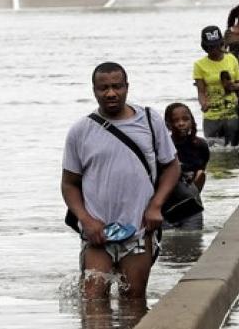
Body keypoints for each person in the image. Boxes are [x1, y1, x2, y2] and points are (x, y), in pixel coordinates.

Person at [61, 62, 180, 302]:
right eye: (103, 88)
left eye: (117, 86)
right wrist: (86, 220)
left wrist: (156, 205)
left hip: (138, 231)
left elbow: (172, 166)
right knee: (93, 303)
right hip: (97, 234)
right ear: (94, 90)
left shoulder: (149, 121)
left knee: (134, 301)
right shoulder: (80, 131)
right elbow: (69, 184)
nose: (111, 93)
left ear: (127, 87)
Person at [193, 25, 239, 146]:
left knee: (232, 150)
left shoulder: (231, 59)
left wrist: (233, 86)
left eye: (216, 45)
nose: (214, 49)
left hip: (232, 114)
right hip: (211, 116)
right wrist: (203, 103)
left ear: (221, 43)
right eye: (210, 47)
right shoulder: (199, 65)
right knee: (214, 154)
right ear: (205, 47)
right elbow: (201, 91)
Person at [162, 102, 210, 230]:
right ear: (168, 124)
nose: (181, 123)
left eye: (185, 119)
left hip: (191, 202)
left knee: (192, 239)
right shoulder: (165, 147)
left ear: (192, 120)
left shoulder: (201, 146)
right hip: (168, 204)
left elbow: (201, 175)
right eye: (175, 120)